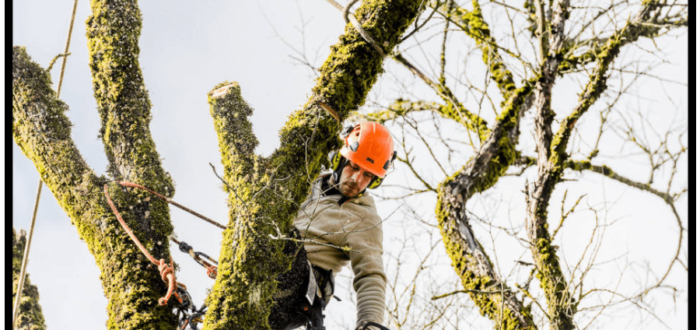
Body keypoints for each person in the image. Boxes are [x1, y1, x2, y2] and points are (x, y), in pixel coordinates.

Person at [268, 122, 396, 330]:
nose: (357, 179)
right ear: (339, 160)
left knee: (290, 243)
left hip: (302, 291)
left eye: (367, 175)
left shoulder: (364, 217)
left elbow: (371, 275)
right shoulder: (307, 184)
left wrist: (369, 325)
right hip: (270, 269)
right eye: (354, 167)